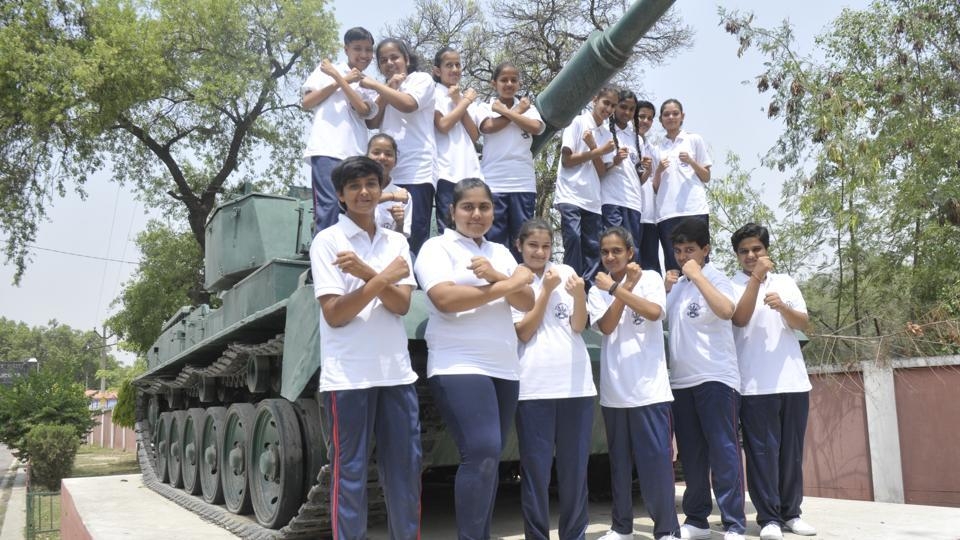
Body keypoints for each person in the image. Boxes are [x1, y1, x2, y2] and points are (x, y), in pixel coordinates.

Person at [413, 178, 534, 539]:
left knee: (490, 459)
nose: (476, 214)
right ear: (451, 211)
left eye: (484, 207)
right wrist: (509, 284)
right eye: (468, 207)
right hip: (459, 363)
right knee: (481, 451)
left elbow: (527, 302)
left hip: (503, 367)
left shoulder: (499, 252)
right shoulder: (437, 248)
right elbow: (445, 301)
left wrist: (501, 279)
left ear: (493, 211)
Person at [308, 156, 421, 540]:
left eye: (371, 183)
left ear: (381, 188)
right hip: (349, 376)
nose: (364, 192)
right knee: (350, 473)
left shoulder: (397, 242)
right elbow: (336, 314)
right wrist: (382, 277)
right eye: (354, 186)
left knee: (405, 471)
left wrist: (367, 274)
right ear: (340, 195)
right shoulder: (328, 242)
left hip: (396, 373)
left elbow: (402, 305)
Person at [588, 227, 680, 540]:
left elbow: (654, 312)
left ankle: (666, 529)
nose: (610, 257)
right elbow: (608, 326)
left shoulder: (652, 279)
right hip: (615, 393)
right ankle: (621, 527)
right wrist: (620, 287)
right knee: (619, 466)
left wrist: (618, 288)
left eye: (616, 251)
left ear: (630, 252)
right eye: (605, 252)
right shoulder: (596, 288)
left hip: (650, 390)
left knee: (656, 465)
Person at [729, 223, 817, 540]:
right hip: (754, 385)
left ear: (767, 250)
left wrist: (783, 306)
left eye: (757, 249)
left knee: (791, 453)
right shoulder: (732, 285)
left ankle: (792, 514)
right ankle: (768, 519)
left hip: (793, 381)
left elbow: (803, 322)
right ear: (737, 256)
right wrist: (756, 279)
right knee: (762, 454)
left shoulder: (786, 282)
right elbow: (739, 318)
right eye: (745, 251)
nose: (752, 255)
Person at [511, 219, 595, 540]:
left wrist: (578, 296)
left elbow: (577, 325)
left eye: (546, 246)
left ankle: (575, 534)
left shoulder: (566, 272)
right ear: (520, 245)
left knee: (575, 471)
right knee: (536, 472)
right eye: (533, 245)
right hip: (534, 388)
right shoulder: (514, 280)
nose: (540, 252)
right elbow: (524, 330)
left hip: (577, 386)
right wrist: (545, 290)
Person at [663, 217, 746, 540]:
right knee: (691, 454)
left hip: (716, 378)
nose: (684, 257)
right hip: (682, 382)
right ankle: (697, 519)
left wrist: (697, 277)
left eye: (691, 250)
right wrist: (669, 287)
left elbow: (727, 310)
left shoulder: (715, 277)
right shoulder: (677, 286)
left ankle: (734, 524)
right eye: (679, 251)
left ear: (706, 250)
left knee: (723, 451)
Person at [362, 38, 436, 255]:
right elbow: (372, 121)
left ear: (406, 58)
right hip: (386, 171)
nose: (389, 63)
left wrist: (376, 85)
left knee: (414, 232)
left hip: (417, 170)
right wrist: (386, 88)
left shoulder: (421, 79)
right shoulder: (387, 87)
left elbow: (409, 105)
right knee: (383, 229)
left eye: (394, 57)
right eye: (383, 60)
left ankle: (415, 285)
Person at [302, 27, 379, 233]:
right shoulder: (324, 70)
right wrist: (339, 79)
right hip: (327, 148)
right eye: (357, 49)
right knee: (328, 206)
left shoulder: (368, 82)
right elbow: (308, 101)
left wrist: (339, 78)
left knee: (353, 208)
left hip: (355, 153)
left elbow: (363, 110)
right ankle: (325, 260)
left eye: (368, 50)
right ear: (346, 49)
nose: (364, 55)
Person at [477, 62, 546, 260]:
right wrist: (517, 111)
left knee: (522, 238)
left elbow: (535, 127)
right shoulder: (485, 106)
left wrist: (508, 111)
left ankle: (520, 283)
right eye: (503, 80)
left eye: (513, 80)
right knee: (494, 237)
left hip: (522, 183)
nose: (509, 84)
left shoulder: (529, 108)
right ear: (494, 83)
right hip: (494, 182)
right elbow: (488, 127)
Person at [553, 87, 618, 282]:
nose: (608, 109)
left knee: (592, 249)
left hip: (592, 199)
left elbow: (601, 171)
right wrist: (596, 150)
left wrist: (594, 148)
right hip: (570, 194)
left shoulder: (607, 135)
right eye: (605, 103)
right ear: (595, 99)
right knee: (572, 239)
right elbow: (567, 160)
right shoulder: (578, 122)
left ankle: (589, 295)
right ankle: (571, 287)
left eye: (613, 106)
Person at [653, 99, 713, 272]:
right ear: (661, 119)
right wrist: (658, 170)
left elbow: (706, 176)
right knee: (673, 263)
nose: (671, 117)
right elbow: (655, 188)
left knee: (700, 261)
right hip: (667, 213)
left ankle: (703, 297)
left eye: (675, 113)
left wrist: (691, 162)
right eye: (666, 114)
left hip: (694, 209)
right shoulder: (657, 148)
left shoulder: (693, 140)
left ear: (682, 116)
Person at [433, 46, 483, 234]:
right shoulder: (434, 93)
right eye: (449, 65)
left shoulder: (462, 97)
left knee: (472, 225)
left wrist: (458, 101)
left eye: (458, 65)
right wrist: (464, 102)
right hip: (446, 171)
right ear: (438, 71)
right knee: (448, 226)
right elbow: (443, 125)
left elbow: (474, 134)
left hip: (470, 170)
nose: (455, 69)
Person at [601, 89, 650, 267]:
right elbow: (599, 168)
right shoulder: (604, 130)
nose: (627, 113)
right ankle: (610, 287)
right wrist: (614, 161)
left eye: (631, 109)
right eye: (623, 107)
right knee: (612, 247)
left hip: (633, 202)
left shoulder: (637, 139)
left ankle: (632, 290)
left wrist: (649, 170)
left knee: (632, 249)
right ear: (615, 107)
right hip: (610, 199)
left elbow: (640, 179)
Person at [367, 133, 412, 237]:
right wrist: (392, 196)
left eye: (388, 154)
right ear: (367, 157)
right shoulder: (358, 186)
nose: (382, 157)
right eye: (376, 152)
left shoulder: (405, 196)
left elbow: (401, 239)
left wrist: (400, 224)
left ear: (395, 161)